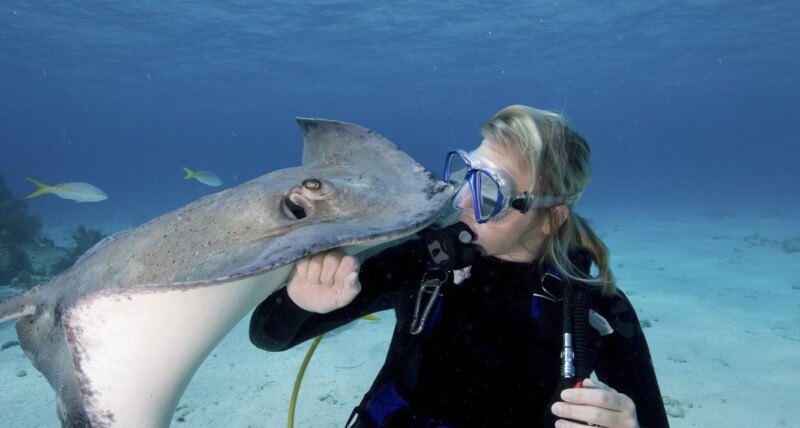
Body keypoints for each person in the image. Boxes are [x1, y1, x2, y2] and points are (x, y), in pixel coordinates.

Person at [250, 105, 669, 427]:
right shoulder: (422, 264)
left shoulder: (597, 312)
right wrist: (299, 301)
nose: (464, 201)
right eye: (468, 174)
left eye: (491, 193)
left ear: (552, 216)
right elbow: (268, 335)